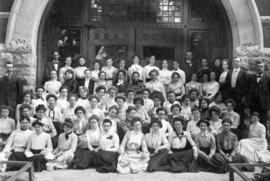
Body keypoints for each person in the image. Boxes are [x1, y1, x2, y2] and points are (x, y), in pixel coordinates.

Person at [247, 60, 270, 126]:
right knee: (253, 121)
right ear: (256, 68)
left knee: (263, 122)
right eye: (258, 66)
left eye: (261, 66)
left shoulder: (268, 79)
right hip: (253, 105)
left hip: (263, 106)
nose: (259, 68)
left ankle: (263, 136)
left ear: (264, 68)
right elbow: (248, 91)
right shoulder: (251, 78)